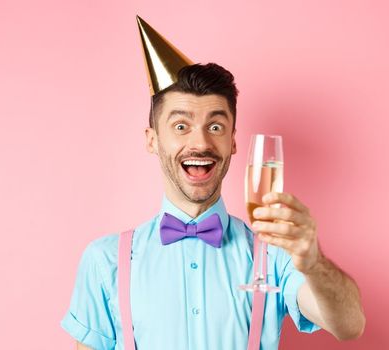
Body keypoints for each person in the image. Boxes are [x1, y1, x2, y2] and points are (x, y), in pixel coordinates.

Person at [60, 17, 365, 350]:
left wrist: (314, 262)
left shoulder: (274, 257)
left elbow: (350, 325)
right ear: (152, 140)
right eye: (180, 126)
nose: (201, 143)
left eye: (216, 127)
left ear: (233, 141)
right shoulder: (105, 261)